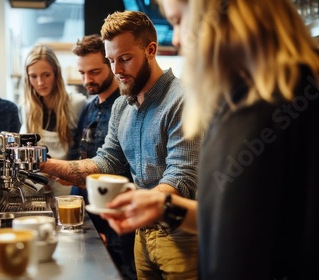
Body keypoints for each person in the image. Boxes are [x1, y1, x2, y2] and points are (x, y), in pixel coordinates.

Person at [101, 0, 319, 279]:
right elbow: (234, 222)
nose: (178, 39)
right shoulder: (234, 101)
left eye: (178, 20)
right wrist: (164, 207)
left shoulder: (292, 99)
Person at [39, 10, 201, 280]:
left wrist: (144, 202)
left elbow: (182, 175)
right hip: (141, 235)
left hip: (180, 235)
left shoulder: (182, 100)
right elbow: (109, 160)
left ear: (151, 49)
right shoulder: (121, 107)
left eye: (125, 59)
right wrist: (64, 168)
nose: (116, 70)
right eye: (111, 60)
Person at [68, 34, 135, 279]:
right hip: (88, 213)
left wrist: (103, 226)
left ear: (111, 64)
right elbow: (80, 157)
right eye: (82, 73)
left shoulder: (127, 106)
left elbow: (122, 170)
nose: (87, 80)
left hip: (118, 217)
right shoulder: (88, 107)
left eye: (94, 72)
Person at [20, 44, 87, 196]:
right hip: (35, 185)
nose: (40, 82)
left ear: (56, 74)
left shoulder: (76, 104)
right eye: (33, 76)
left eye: (46, 75)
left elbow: (83, 151)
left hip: (68, 185)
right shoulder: (26, 108)